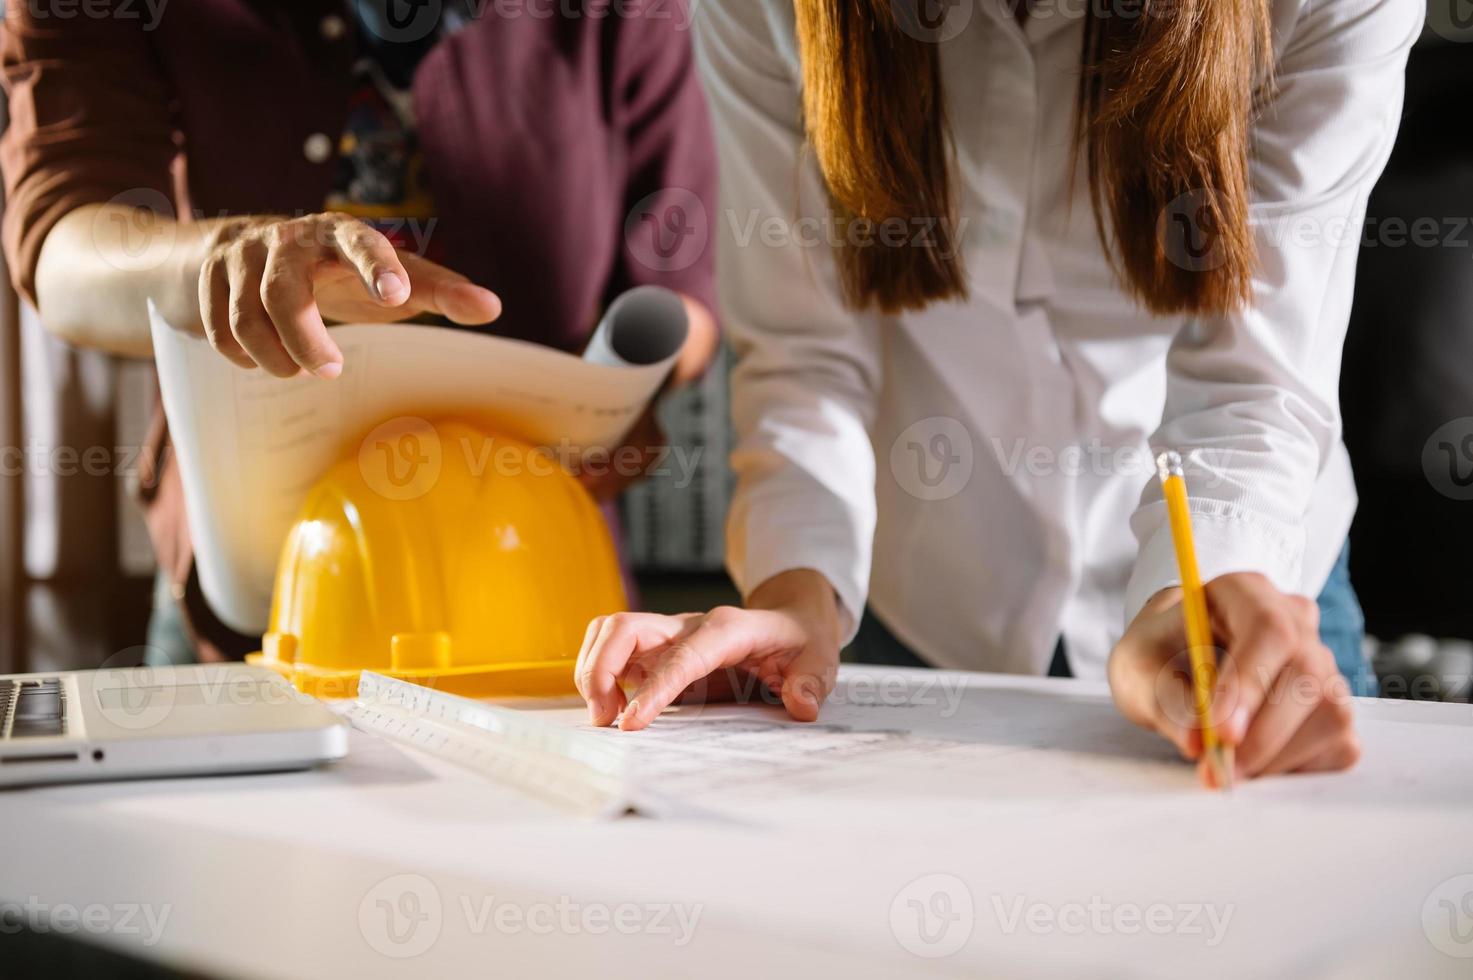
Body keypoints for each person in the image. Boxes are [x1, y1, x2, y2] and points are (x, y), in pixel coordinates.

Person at [575, 0, 1422, 786]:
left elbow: (1253, 385)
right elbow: (804, 356)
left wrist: (1184, 605)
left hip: (1243, 578)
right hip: (918, 598)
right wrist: (794, 594)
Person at [1, 0, 717, 663]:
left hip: (539, 582)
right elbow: (62, 249)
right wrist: (227, 263)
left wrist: (625, 400)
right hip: (251, 591)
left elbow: (685, 300)